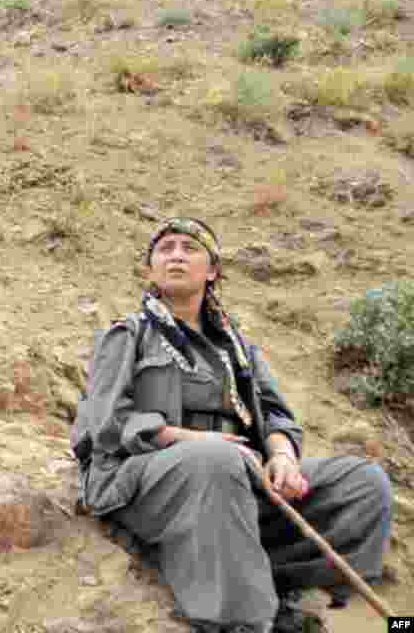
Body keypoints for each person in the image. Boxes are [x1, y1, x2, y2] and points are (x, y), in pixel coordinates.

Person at [71, 218, 392, 633]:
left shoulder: (238, 348)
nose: (176, 255)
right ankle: (240, 619)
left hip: (237, 475)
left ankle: (274, 579)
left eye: (189, 248)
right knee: (215, 459)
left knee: (364, 481)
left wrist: (281, 457)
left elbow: (276, 413)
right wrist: (187, 439)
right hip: (141, 480)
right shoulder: (127, 335)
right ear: (151, 270)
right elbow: (106, 421)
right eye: (165, 249)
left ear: (212, 271)